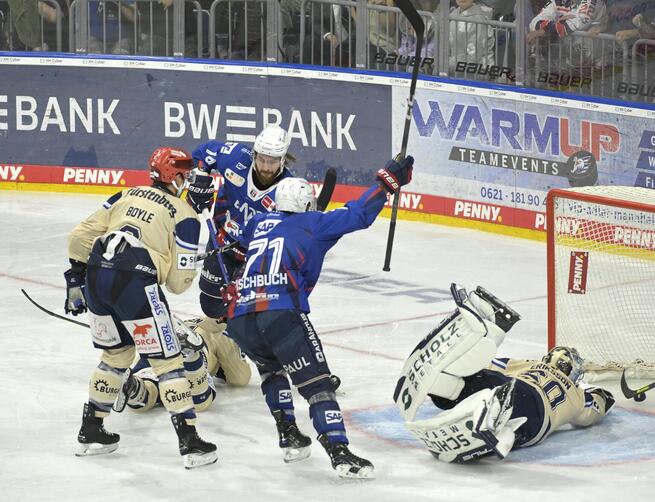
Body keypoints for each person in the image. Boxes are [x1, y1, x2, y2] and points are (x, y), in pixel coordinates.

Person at [224, 154, 414, 478]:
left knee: (271, 369)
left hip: (240, 316)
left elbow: (233, 253)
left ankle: (289, 435)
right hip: (280, 312)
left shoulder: (258, 223)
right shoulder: (315, 224)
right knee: (318, 385)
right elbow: (359, 214)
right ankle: (339, 452)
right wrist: (387, 182)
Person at [65, 147, 218, 469]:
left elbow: (79, 237)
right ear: (171, 175)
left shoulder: (124, 194)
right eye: (183, 174)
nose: (186, 179)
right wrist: (180, 259)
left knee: (116, 356)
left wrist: (75, 278)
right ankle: (190, 442)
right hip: (135, 283)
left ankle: (92, 430)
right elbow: (179, 284)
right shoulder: (184, 213)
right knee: (168, 362)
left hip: (96, 277)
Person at [395, 283, 615, 463]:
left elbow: (491, 363)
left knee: (473, 380)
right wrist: (603, 396)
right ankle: (492, 418)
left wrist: (465, 372)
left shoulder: (529, 364)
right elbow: (594, 409)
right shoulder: (576, 395)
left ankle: (443, 384)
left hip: (509, 385)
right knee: (510, 404)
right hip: (535, 415)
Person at [188, 125, 295, 321]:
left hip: (255, 257)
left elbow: (292, 233)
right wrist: (200, 178)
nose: (265, 167)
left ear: (282, 160)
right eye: (261, 158)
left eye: (272, 162)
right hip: (221, 241)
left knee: (250, 310)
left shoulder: (288, 190)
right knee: (211, 305)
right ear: (254, 154)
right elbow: (203, 153)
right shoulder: (236, 157)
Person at [113, 316, 252, 413]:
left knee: (149, 393)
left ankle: (132, 386)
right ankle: (191, 356)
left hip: (156, 351)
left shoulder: (194, 320)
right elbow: (240, 378)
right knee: (200, 403)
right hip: (194, 357)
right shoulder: (223, 328)